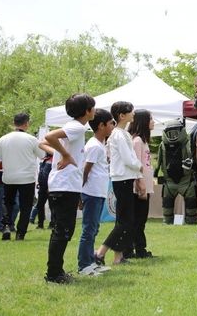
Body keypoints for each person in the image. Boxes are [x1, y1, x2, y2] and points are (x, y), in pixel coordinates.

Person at [43, 94, 96, 284]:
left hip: (64, 185)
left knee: (61, 230)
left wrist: (62, 153)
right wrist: (65, 154)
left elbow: (47, 141)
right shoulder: (76, 127)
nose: (95, 111)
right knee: (63, 230)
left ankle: (55, 271)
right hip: (64, 186)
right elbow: (48, 137)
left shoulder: (75, 127)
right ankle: (54, 274)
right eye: (93, 107)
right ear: (87, 111)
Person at [95, 101, 142, 266]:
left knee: (123, 220)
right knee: (125, 221)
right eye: (131, 111)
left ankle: (118, 257)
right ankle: (100, 252)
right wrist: (140, 167)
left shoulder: (123, 133)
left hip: (125, 178)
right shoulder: (118, 135)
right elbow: (128, 159)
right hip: (121, 179)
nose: (133, 114)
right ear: (122, 115)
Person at [0, 113, 46, 241]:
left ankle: (6, 227)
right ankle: (20, 233)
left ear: (14, 123)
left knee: (7, 203)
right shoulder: (32, 139)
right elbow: (42, 155)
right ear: (26, 124)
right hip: (27, 179)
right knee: (25, 207)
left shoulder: (3, 139)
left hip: (9, 177)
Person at [77, 109, 114, 276]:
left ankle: (91, 262)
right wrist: (80, 193)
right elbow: (85, 171)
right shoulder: (93, 146)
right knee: (89, 229)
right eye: (111, 123)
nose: (113, 126)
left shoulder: (100, 145)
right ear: (101, 125)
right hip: (90, 193)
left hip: (98, 193)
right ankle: (84, 265)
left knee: (94, 228)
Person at [124, 109, 155, 259]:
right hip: (139, 187)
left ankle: (138, 249)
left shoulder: (143, 140)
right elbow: (135, 164)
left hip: (145, 185)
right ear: (143, 122)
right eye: (150, 119)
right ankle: (137, 250)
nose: (153, 122)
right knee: (138, 220)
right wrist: (140, 184)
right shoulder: (137, 141)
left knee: (140, 219)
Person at [155, 119, 197, 225]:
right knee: (167, 206)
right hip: (174, 181)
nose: (173, 135)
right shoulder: (163, 145)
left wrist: (156, 172)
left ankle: (190, 220)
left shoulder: (188, 144)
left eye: (175, 132)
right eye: (170, 132)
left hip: (184, 180)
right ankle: (169, 220)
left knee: (190, 206)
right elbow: (159, 161)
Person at [30, 150, 54, 229]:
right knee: (40, 205)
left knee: (52, 206)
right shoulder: (44, 160)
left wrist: (50, 186)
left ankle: (52, 224)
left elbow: (51, 175)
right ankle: (40, 224)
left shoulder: (54, 160)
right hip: (42, 186)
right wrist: (38, 183)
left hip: (50, 187)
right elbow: (41, 173)